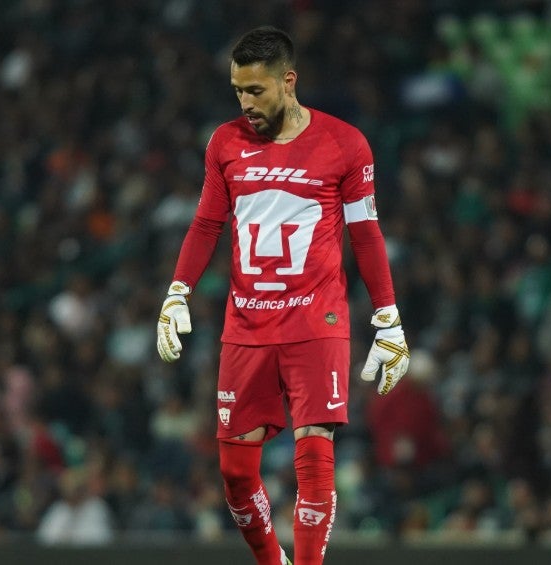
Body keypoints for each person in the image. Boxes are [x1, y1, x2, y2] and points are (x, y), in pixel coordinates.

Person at [156, 26, 410, 565]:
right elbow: (206, 224)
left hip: (316, 319)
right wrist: (177, 293)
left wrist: (388, 320)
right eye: (238, 91)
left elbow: (365, 232)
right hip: (245, 325)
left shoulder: (346, 144)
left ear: (288, 81)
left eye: (256, 91)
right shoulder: (225, 143)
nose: (245, 103)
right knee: (234, 472)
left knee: (315, 456)